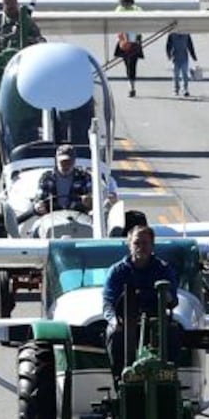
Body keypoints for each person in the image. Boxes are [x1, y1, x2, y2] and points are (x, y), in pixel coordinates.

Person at [102, 225, 178, 374]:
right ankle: (120, 377)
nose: (141, 247)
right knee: (114, 335)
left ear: (152, 245)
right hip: (125, 323)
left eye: (145, 243)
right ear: (129, 245)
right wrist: (114, 322)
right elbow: (108, 303)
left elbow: (173, 300)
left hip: (156, 322)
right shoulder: (117, 272)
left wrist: (168, 296)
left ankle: (169, 375)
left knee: (173, 332)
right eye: (137, 243)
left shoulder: (164, 269)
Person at [35, 145, 93, 215]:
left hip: (79, 219)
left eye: (69, 162)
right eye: (62, 162)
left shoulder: (84, 177)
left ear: (74, 161)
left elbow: (94, 201)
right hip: (51, 219)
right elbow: (39, 199)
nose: (65, 165)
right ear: (56, 161)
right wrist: (39, 206)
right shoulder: (46, 178)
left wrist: (89, 202)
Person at [113, 0, 144, 98]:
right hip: (124, 42)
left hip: (134, 41)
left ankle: (132, 87)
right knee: (128, 65)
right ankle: (131, 85)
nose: (124, 5)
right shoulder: (119, 9)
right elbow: (116, 22)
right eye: (123, 4)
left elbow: (141, 21)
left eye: (125, 3)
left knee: (132, 65)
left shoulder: (137, 9)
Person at [164, 31, 197, 97]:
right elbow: (168, 45)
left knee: (185, 74)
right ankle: (176, 89)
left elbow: (190, 45)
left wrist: (193, 56)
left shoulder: (186, 34)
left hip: (184, 57)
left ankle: (185, 89)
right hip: (175, 57)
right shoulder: (172, 34)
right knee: (176, 74)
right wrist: (169, 55)